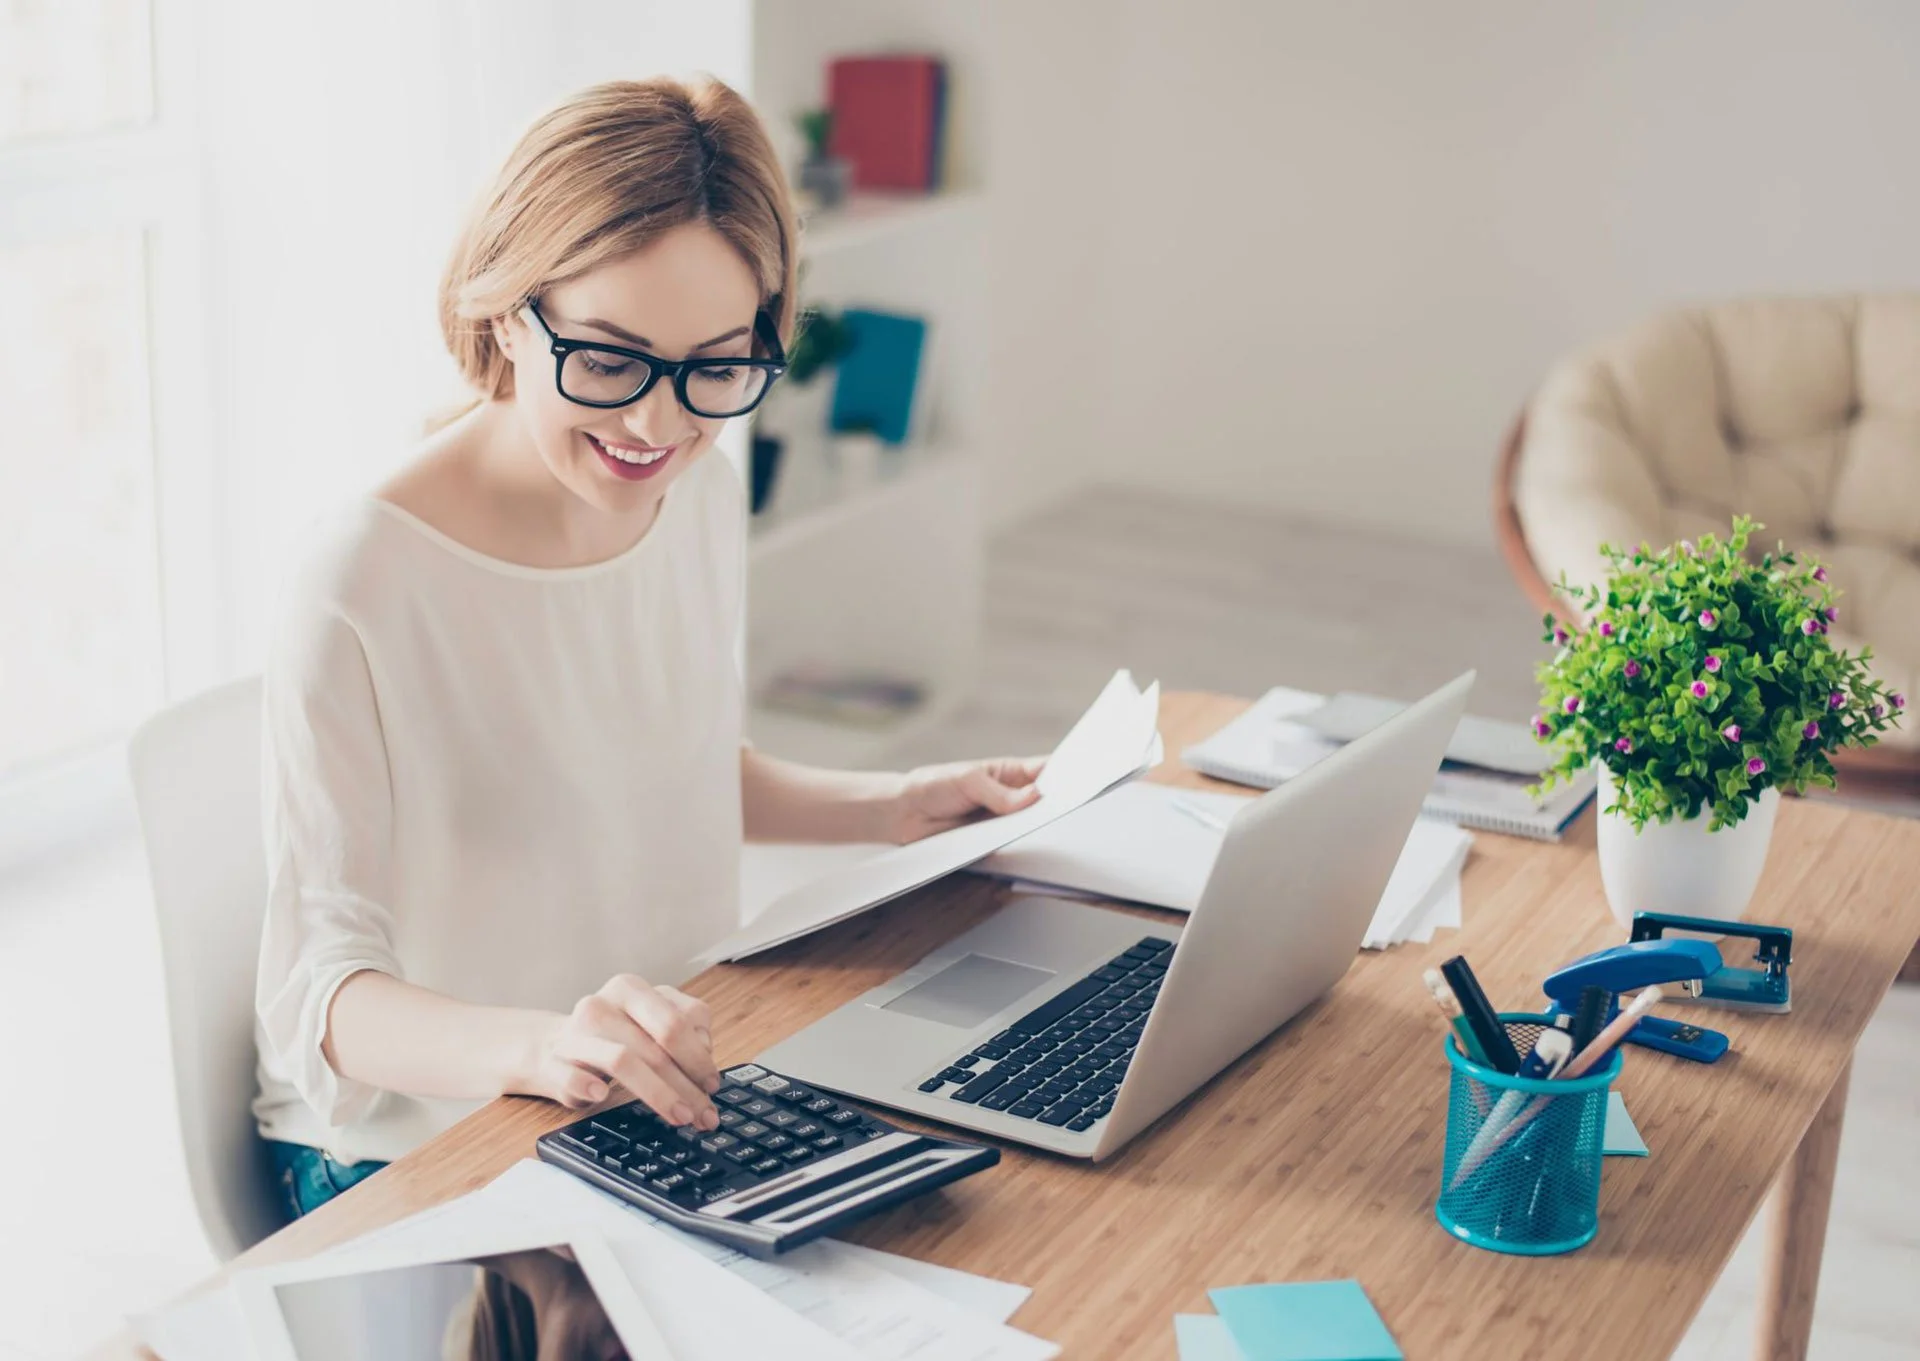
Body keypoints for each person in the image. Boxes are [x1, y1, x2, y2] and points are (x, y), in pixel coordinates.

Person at [253, 75, 1043, 1218]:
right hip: (421, 1151)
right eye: (612, 360)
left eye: (717, 366)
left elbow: (666, 767)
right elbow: (316, 995)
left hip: (654, 1106)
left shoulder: (697, 494)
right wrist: (545, 1046)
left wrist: (896, 803)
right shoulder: (363, 575)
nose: (658, 425)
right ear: (508, 310)